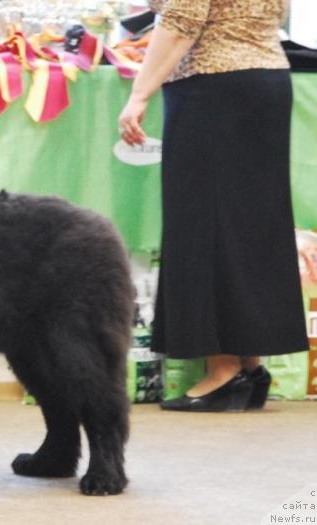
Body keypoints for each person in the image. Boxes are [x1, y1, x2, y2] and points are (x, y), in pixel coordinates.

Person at [118, 0, 307, 411]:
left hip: (213, 85)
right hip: (266, 78)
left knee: (204, 224)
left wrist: (139, 93)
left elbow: (183, 20)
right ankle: (250, 367)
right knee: (250, 228)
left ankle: (223, 372)